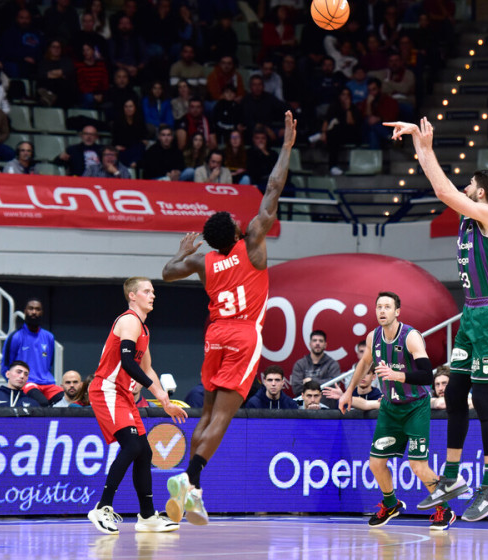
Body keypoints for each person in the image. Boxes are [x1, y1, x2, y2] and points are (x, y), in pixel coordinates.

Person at [160, 111, 296, 526]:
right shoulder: (253, 243)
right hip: (242, 336)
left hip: (214, 334)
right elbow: (273, 187)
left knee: (205, 414)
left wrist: (183, 252)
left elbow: (166, 273)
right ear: (235, 231)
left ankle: (191, 489)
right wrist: (287, 146)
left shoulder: (204, 262)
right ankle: (192, 479)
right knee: (223, 417)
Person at [386, 117, 488, 522]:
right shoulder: (470, 215)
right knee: (455, 392)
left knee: (481, 397)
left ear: (483, 192)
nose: (465, 190)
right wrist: (420, 145)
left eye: (471, 187)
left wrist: (425, 146)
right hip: (473, 312)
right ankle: (453, 476)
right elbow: (443, 189)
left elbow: (442, 188)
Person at [339, 292, 453, 530]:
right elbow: (364, 362)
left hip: (415, 407)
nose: (382, 311)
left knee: (418, 465)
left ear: (397, 312)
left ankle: (444, 509)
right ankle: (390, 504)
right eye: (378, 306)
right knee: (375, 463)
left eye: (387, 307)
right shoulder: (373, 336)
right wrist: (349, 391)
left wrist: (397, 375)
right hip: (390, 408)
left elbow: (426, 375)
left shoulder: (411, 337)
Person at [86, 277, 186, 535]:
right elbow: (127, 363)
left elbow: (147, 369)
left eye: (153, 291)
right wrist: (158, 394)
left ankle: (147, 516)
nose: (152, 295)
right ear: (132, 295)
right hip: (107, 389)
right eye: (147, 291)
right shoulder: (128, 320)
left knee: (144, 452)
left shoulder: (144, 329)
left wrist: (165, 399)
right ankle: (102, 507)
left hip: (124, 395)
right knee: (131, 446)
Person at [1, 298, 61, 405]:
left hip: (48, 383)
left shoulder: (49, 337)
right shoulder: (15, 337)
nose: (34, 312)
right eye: (31, 309)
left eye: (37, 309)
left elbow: (49, 364)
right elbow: (6, 366)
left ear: (42, 312)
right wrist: (15, 385)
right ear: (25, 311)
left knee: (66, 400)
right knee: (42, 402)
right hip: (27, 382)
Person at [289, 330, 341, 396]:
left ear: (325, 345)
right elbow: (296, 389)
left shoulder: (332, 364)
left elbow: (334, 385)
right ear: (310, 344)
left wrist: (311, 381)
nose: (317, 343)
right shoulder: (300, 364)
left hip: (326, 405)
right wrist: (322, 385)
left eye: (321, 341)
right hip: (305, 405)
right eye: (314, 340)